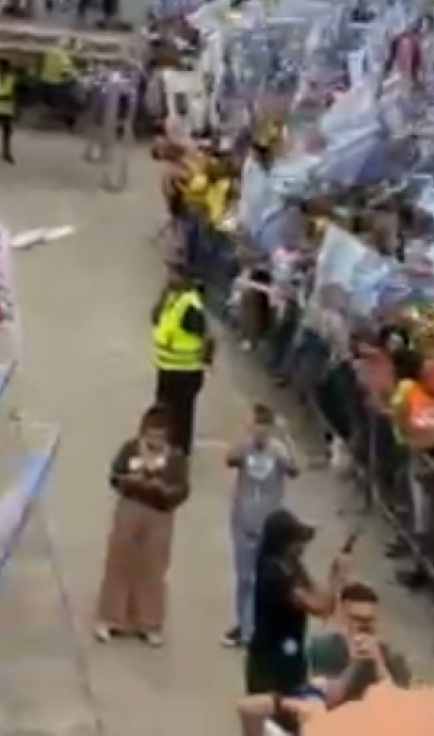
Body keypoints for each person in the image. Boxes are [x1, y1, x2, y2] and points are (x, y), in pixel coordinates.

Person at [238, 508, 353, 729]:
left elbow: (320, 596)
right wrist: (337, 577)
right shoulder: (275, 575)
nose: (301, 546)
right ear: (283, 543)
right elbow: (321, 607)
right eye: (295, 541)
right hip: (269, 667)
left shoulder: (291, 565)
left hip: (291, 662)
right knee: (270, 725)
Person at [94, 405, 189, 645]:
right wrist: (131, 481)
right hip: (130, 508)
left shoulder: (175, 458)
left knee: (153, 567)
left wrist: (163, 490)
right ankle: (112, 618)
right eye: (151, 435)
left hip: (159, 513)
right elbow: (115, 476)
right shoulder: (130, 449)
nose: (154, 440)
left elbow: (182, 490)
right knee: (120, 562)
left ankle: (149, 623)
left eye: (159, 436)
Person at [225, 403, 299, 648]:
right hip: (243, 519)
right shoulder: (245, 447)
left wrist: (286, 438)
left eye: (265, 426)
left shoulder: (278, 450)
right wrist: (244, 435)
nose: (260, 431)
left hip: (269, 525)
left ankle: (262, 626)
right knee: (245, 577)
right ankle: (244, 627)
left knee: (266, 579)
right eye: (257, 424)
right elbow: (230, 458)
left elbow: (295, 469)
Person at [150, 255, 212, 455]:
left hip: (185, 371)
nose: (169, 276)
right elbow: (154, 317)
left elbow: (207, 336)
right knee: (164, 411)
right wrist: (164, 293)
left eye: (174, 273)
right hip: (167, 368)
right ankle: (164, 444)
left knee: (182, 415)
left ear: (186, 278)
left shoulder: (191, 306)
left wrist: (204, 362)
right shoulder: (172, 297)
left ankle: (180, 452)